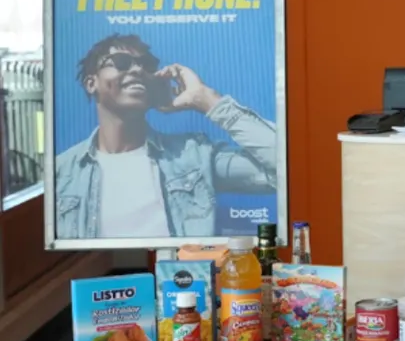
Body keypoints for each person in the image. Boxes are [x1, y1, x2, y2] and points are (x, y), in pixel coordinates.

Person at [54, 33, 277, 239]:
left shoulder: (193, 156)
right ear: (91, 83)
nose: (138, 70)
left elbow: (284, 168)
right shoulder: (62, 172)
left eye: (147, 65)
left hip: (183, 281)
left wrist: (207, 100)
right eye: (122, 62)